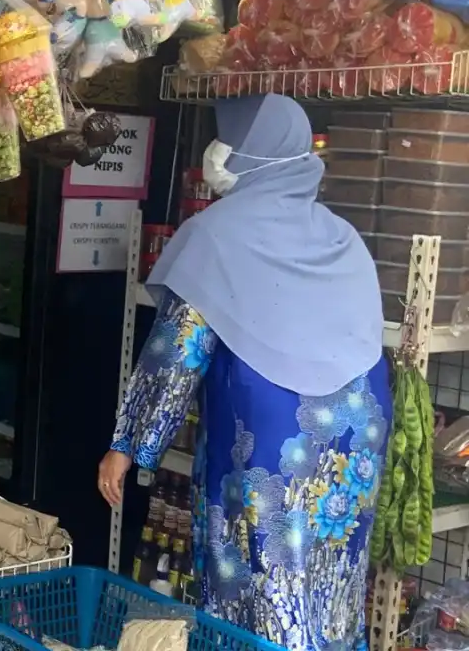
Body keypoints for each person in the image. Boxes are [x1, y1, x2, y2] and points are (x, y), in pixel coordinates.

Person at [95, 94, 388, 651]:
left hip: (273, 432)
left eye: (229, 139)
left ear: (255, 154)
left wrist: (128, 444)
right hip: (356, 432)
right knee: (331, 576)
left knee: (259, 578)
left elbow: (178, 349)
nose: (216, 151)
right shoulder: (344, 238)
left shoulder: (217, 233)